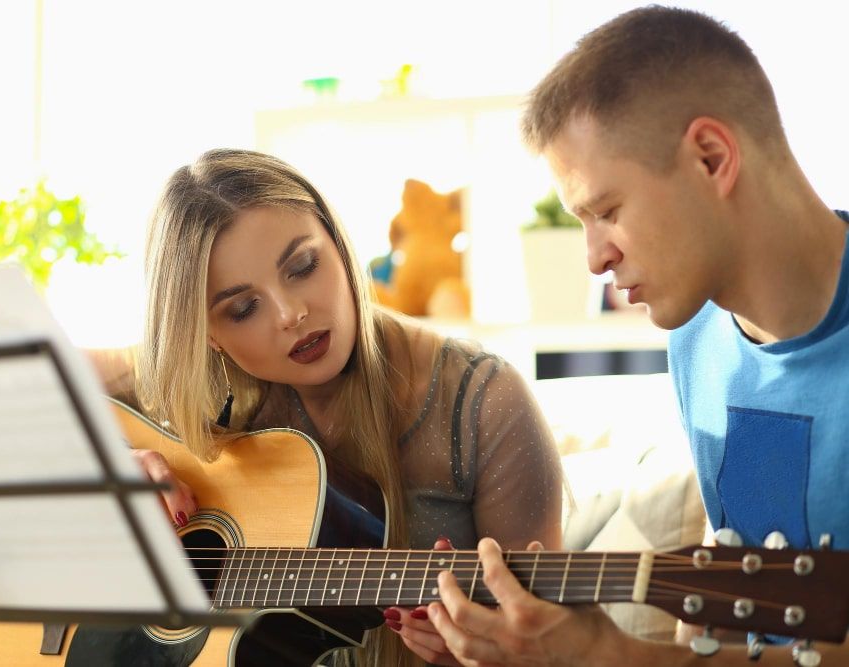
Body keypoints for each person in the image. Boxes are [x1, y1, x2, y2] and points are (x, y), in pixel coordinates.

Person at [426, 5, 849, 666]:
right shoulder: (699, 338)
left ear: (712, 158)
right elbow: (724, 624)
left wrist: (610, 655)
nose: (595, 259)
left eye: (608, 211)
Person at [89, 148, 563, 666]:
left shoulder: (483, 400)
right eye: (244, 308)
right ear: (207, 337)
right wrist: (102, 474)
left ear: (338, 244)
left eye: (303, 266)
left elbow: (552, 643)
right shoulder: (185, 388)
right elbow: (6, 391)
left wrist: (484, 656)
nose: (292, 314)